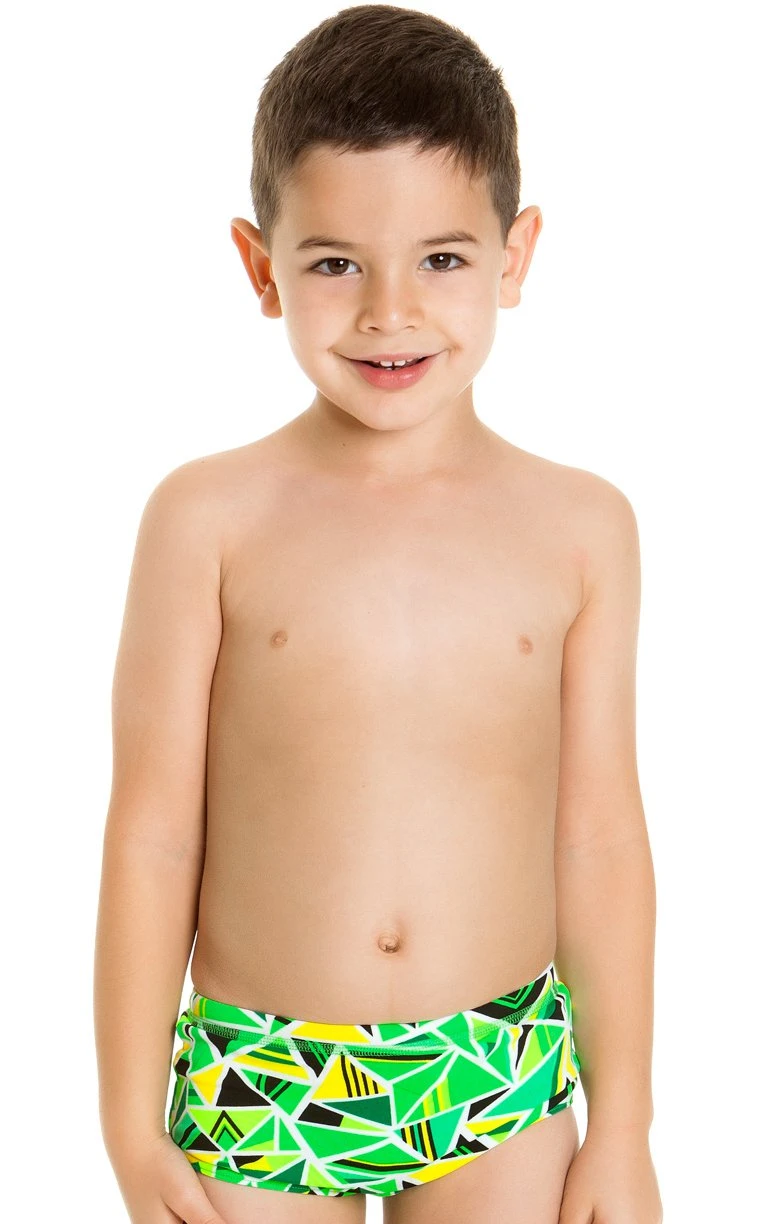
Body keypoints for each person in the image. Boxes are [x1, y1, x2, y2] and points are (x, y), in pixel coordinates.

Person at [94, 5, 662, 1222]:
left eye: (443, 259)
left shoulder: (582, 526)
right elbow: (151, 836)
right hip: (260, 1077)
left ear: (516, 255)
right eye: (335, 263)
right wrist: (128, 1128)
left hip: (497, 1071)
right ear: (262, 268)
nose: (390, 311)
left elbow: (600, 837)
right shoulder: (206, 518)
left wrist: (624, 1127)